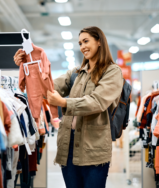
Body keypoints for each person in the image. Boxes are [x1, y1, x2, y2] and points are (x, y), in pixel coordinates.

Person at [14, 26, 123, 188]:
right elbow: (47, 89)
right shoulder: (76, 73)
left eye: (86, 41)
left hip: (94, 148)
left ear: (99, 41)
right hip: (68, 146)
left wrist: (64, 103)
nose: (83, 47)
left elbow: (97, 102)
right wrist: (28, 64)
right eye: (80, 43)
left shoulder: (112, 72)